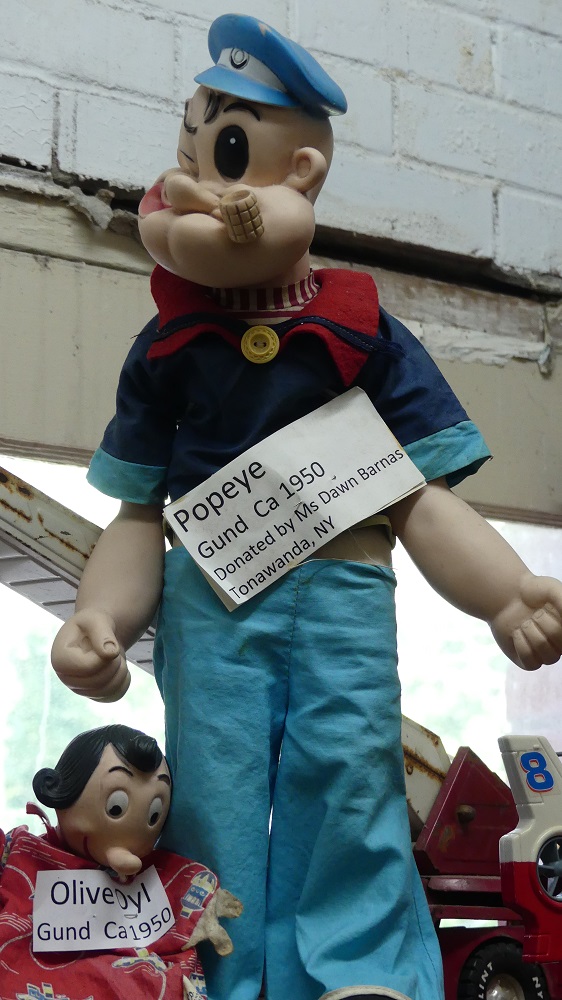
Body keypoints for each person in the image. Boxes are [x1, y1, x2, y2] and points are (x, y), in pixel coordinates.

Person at [50, 14, 562, 1000]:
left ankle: (358, 974)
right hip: (211, 601)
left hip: (343, 594)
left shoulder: (362, 332)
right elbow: (140, 514)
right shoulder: (167, 347)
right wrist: (100, 616)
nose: (192, 185)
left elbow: (417, 495)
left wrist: (505, 592)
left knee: (350, 775)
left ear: (304, 174)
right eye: (192, 151)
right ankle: (212, 974)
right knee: (213, 790)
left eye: (226, 155)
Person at [0, 725, 242, 1000]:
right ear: (59, 788)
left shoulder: (156, 874)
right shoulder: (25, 852)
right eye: (116, 807)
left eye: (154, 814)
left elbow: (184, 895)